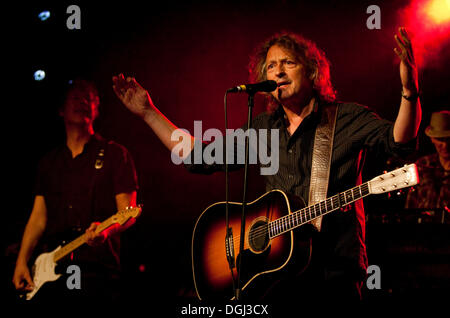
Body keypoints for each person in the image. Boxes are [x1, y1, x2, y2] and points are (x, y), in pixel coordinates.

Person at [112, 27, 421, 302]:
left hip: (333, 273)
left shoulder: (346, 118)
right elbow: (196, 156)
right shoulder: (263, 129)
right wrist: (148, 113)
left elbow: (399, 141)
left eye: (288, 62)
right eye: (271, 65)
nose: (278, 71)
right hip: (277, 279)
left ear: (312, 71)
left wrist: (409, 93)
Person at [12, 79, 138, 303]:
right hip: (51, 267)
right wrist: (22, 261)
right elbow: (38, 219)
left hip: (97, 269)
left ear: (96, 109)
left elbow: (127, 212)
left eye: (89, 99)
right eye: (75, 98)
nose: (82, 103)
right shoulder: (49, 162)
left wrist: (106, 231)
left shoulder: (115, 154)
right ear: (61, 109)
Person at [406, 110, 449, 210]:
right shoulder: (422, 165)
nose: (445, 145)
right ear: (432, 139)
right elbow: (411, 205)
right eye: (441, 139)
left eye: (448, 139)